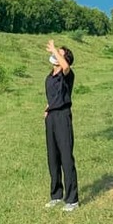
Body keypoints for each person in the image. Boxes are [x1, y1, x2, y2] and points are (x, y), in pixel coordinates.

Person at [43, 39, 79, 212]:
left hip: (63, 116)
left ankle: (72, 200)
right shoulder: (50, 76)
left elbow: (65, 67)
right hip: (51, 117)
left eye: (59, 52)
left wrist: (56, 51)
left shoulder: (67, 74)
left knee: (66, 157)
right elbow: (54, 96)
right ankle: (56, 195)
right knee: (53, 157)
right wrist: (48, 107)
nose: (54, 53)